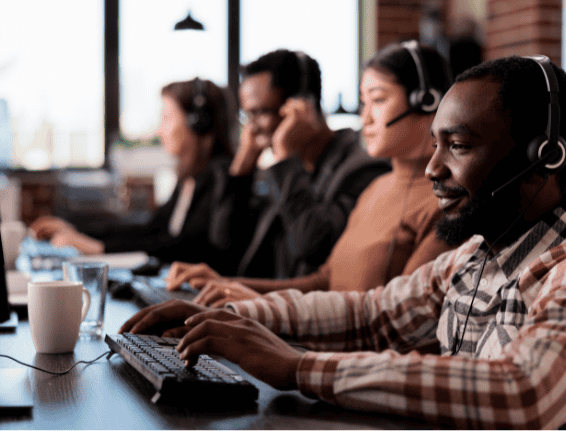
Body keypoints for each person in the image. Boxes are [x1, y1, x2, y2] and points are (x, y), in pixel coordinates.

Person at [121, 55, 566, 429]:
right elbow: (373, 314)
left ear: (544, 155)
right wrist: (227, 318)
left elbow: (523, 390)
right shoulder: (475, 256)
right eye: (435, 145)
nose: (433, 168)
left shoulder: (560, 267)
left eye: (459, 146)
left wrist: (297, 368)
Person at [166, 42, 455, 307]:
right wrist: (227, 286)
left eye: (377, 100)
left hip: (323, 346)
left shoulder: (368, 174)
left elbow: (314, 250)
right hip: (300, 332)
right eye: (363, 103)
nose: (365, 118)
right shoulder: (376, 188)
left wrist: (262, 307)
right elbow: (321, 280)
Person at [201, 49, 389, 280]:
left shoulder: (361, 169)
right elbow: (223, 243)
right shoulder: (275, 172)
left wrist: (284, 156)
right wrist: (242, 168)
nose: (252, 128)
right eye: (247, 116)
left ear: (302, 106)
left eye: (260, 112)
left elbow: (314, 247)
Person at [31, 78, 239, 273]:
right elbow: (152, 230)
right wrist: (79, 231)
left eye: (167, 118)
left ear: (198, 122)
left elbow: (187, 247)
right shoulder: (189, 177)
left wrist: (98, 247)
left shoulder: (221, 177)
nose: (159, 131)